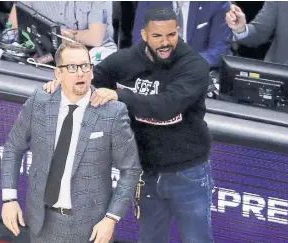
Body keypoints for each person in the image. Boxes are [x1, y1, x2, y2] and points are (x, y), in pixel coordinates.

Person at [44, 6, 215, 243]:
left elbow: (167, 106)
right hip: (147, 172)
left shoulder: (194, 66)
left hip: (187, 173)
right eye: (157, 36)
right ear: (144, 35)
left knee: (198, 240)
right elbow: (91, 78)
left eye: (171, 35)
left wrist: (119, 95)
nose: (165, 42)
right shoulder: (127, 60)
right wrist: (66, 78)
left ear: (178, 31)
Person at [0, 41, 142, 243]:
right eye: (72, 67)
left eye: (85, 66)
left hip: (91, 228)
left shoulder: (112, 112)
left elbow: (131, 169)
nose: (81, 73)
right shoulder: (39, 102)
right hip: (42, 222)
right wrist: (9, 198)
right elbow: (13, 147)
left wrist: (111, 218)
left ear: (92, 71)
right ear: (58, 73)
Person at [133, 1, 232, 69]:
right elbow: (141, 40)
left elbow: (220, 49)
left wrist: (187, 63)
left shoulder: (218, 3)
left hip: (197, 73)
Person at [8, 1, 117, 60]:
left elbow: (95, 39)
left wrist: (63, 36)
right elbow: (13, 25)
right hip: (44, 47)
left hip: (92, 51)